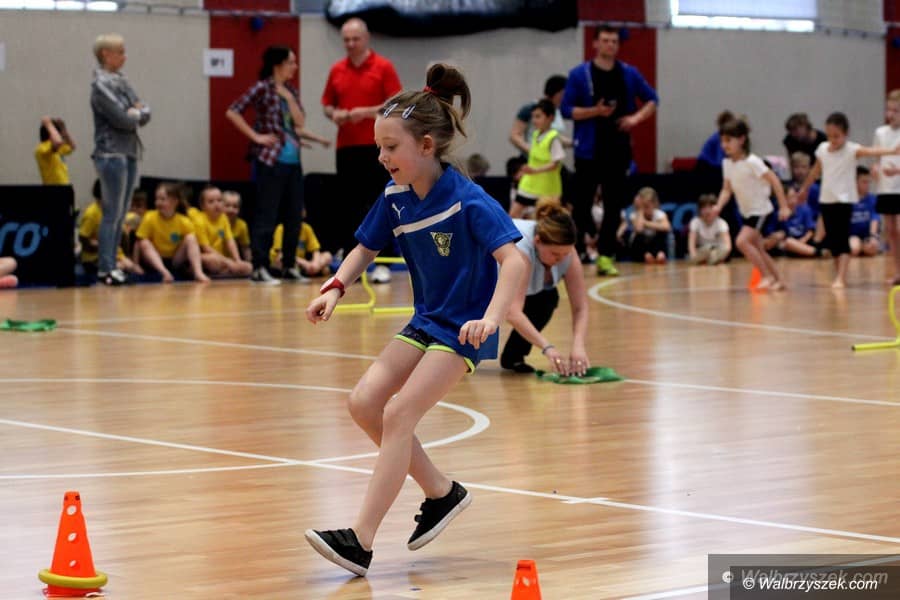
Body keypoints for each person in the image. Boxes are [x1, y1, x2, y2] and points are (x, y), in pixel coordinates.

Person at [303, 64, 526, 577]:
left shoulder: (469, 199)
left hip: (462, 330)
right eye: (378, 148)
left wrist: (491, 319)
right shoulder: (395, 198)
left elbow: (515, 261)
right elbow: (364, 248)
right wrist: (335, 287)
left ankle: (360, 541)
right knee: (364, 404)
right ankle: (441, 492)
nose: (382, 158)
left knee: (400, 414)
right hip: (426, 321)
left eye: (390, 147)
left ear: (426, 146)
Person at [561, 25, 658, 276]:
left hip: (618, 150)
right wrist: (595, 111)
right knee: (582, 206)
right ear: (595, 43)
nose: (610, 45)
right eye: (605, 40)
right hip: (588, 151)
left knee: (614, 207)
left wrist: (635, 119)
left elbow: (652, 99)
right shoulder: (580, 74)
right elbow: (566, 110)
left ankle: (605, 256)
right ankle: (576, 254)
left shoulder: (629, 73)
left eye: (614, 41)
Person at [321, 17, 402, 274]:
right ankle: (350, 265)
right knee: (348, 204)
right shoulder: (337, 70)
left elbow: (395, 103)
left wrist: (364, 112)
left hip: (377, 147)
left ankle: (384, 262)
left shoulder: (383, 67)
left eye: (355, 39)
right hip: (346, 147)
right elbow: (327, 104)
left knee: (381, 201)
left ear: (366, 39)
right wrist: (334, 113)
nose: (350, 44)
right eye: (346, 40)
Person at [226, 45, 306, 285]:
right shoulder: (262, 88)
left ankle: (289, 265)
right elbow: (233, 111)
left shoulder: (290, 90)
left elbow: (300, 122)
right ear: (278, 65)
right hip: (270, 160)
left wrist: (289, 98)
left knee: (294, 216)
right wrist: (256, 136)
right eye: (291, 62)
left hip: (293, 160)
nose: (294, 67)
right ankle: (259, 267)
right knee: (267, 214)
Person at [797, 112, 900, 288]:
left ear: (846, 133)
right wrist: (804, 189)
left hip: (844, 201)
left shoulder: (851, 149)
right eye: (829, 136)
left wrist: (892, 151)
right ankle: (838, 273)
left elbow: (870, 150)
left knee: (842, 237)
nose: (833, 140)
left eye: (837, 136)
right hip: (826, 200)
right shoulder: (822, 149)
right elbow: (815, 171)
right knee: (833, 241)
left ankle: (841, 277)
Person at [501, 200, 589, 374]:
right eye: (555, 254)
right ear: (537, 241)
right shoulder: (521, 252)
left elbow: (580, 307)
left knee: (547, 298)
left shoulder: (567, 252)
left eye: (565, 254)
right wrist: (547, 347)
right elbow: (512, 311)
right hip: (475, 278)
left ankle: (514, 356)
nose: (561, 259)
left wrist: (578, 346)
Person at [90, 33, 151, 286]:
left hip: (129, 151)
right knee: (111, 213)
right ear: (106, 54)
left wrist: (136, 112)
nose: (125, 56)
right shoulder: (100, 85)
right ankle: (105, 268)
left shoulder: (123, 81)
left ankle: (113, 265)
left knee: (121, 213)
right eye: (121, 52)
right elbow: (121, 118)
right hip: (111, 153)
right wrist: (135, 113)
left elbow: (144, 110)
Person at [713, 118, 791, 291]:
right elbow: (726, 189)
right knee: (758, 248)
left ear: (741, 139)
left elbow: (775, 181)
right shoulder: (727, 164)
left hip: (760, 210)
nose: (724, 145)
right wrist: (718, 206)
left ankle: (766, 276)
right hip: (747, 212)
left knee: (741, 242)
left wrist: (784, 206)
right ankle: (779, 280)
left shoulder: (753, 162)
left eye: (728, 140)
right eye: (722, 141)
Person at [134, 182, 209, 283]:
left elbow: (193, 246)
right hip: (155, 259)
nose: (158, 202)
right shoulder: (150, 217)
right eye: (157, 199)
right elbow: (138, 242)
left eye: (162, 199)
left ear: (175, 201)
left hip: (174, 260)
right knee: (144, 242)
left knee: (191, 238)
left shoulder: (183, 221)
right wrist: (136, 264)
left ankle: (198, 272)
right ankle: (164, 272)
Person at [510, 99, 565, 218]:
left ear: (550, 118)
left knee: (547, 221)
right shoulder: (535, 135)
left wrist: (535, 170)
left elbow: (555, 164)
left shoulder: (553, 138)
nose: (534, 120)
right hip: (530, 185)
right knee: (513, 215)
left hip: (547, 189)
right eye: (533, 117)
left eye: (538, 116)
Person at [79, 179, 143, 278]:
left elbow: (123, 235)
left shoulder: (114, 210)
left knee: (136, 270)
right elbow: (83, 238)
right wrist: (101, 245)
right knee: (121, 268)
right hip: (93, 258)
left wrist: (125, 256)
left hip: (114, 255)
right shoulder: (92, 213)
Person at [191, 186, 253, 278]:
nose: (216, 204)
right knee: (212, 260)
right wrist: (228, 261)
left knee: (249, 267)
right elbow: (206, 248)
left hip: (221, 258)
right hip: (205, 256)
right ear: (203, 206)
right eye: (211, 202)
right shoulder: (199, 221)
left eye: (219, 200)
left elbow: (230, 241)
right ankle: (226, 271)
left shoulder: (223, 218)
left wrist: (237, 260)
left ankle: (224, 272)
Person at [872, 89, 900, 283]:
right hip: (886, 188)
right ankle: (898, 271)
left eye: (896, 110)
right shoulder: (880, 132)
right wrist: (875, 168)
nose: (891, 114)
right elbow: (876, 156)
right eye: (889, 110)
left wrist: (897, 171)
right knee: (891, 231)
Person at [508, 74, 571, 156]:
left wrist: (575, 143)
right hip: (533, 159)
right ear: (554, 92)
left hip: (552, 159)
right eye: (563, 94)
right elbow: (514, 136)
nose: (566, 97)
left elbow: (553, 136)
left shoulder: (557, 110)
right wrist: (533, 151)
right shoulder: (531, 108)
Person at [619, 187, 670, 264]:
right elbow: (639, 229)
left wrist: (645, 223)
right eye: (643, 206)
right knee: (639, 237)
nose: (645, 209)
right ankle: (646, 255)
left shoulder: (659, 214)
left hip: (654, 246)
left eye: (647, 206)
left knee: (661, 235)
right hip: (640, 248)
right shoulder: (634, 215)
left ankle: (660, 254)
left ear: (654, 204)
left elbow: (667, 227)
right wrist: (640, 211)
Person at [763, 188, 818, 258]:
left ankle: (818, 252)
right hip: (784, 245)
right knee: (782, 240)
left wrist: (801, 242)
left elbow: (810, 231)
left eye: (794, 196)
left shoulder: (805, 209)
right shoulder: (778, 213)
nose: (793, 200)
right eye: (790, 198)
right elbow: (770, 233)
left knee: (789, 242)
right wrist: (778, 235)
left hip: (803, 243)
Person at [688, 194, 731, 265]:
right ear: (699, 210)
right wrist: (694, 257)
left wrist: (722, 257)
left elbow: (728, 246)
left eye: (710, 207)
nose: (707, 211)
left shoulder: (722, 223)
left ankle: (714, 260)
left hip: (717, 251)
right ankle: (708, 260)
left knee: (723, 249)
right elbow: (691, 245)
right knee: (706, 250)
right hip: (703, 251)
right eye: (704, 208)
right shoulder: (695, 222)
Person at [849, 167, 881, 258]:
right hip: (852, 235)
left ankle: (863, 247)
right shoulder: (848, 200)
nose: (867, 185)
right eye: (864, 182)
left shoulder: (872, 199)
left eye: (868, 182)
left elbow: (874, 219)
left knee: (872, 249)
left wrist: (873, 236)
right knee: (854, 248)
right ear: (855, 182)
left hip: (867, 235)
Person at [35, 116, 76, 185]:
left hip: (65, 185)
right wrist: (49, 125)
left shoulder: (58, 148)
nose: (60, 135)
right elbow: (58, 142)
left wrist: (63, 129)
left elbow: (72, 146)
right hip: (53, 187)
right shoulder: (41, 148)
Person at [223, 190, 252, 262]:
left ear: (239, 209)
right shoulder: (217, 222)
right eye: (227, 206)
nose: (231, 210)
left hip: (232, 260)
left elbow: (245, 247)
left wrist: (249, 262)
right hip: (216, 257)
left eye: (235, 207)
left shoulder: (242, 225)